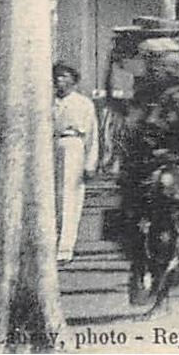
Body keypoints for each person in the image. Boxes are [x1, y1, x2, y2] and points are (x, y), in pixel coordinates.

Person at [117, 37, 179, 310]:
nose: (152, 69)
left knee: (165, 239)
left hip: (165, 178)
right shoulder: (139, 99)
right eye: (149, 63)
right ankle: (140, 273)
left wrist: (176, 167)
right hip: (136, 173)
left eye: (159, 63)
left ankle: (162, 299)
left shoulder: (178, 102)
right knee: (128, 232)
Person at [52, 62, 100, 264]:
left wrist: (90, 163)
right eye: (57, 76)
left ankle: (65, 248)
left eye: (64, 76)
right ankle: (51, 245)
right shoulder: (50, 102)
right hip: (52, 147)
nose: (59, 80)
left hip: (74, 147)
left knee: (70, 199)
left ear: (73, 79)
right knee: (52, 200)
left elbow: (92, 135)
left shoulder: (83, 103)